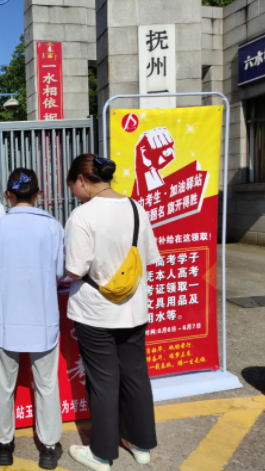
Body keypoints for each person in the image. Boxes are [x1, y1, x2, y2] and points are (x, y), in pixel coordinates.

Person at [64, 154, 160, 471]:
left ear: (81, 180)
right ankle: (141, 445)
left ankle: (101, 454)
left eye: (72, 186)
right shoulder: (136, 208)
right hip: (134, 308)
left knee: (103, 380)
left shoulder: (82, 216)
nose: (74, 193)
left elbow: (75, 269)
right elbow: (148, 257)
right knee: (135, 375)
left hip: (96, 311)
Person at [0, 168, 64, 470]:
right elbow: (59, 271)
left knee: (5, 385)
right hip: (43, 319)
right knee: (47, 384)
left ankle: (4, 445)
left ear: (8, 195)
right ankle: (49, 448)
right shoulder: (52, 226)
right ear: (38, 194)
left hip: (7, 319)